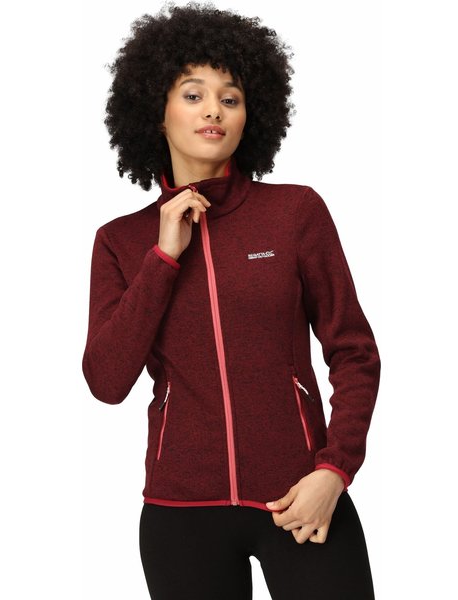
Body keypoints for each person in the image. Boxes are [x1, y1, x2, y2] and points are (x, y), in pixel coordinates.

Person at [81, 2, 381, 598]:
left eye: (231, 97)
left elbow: (354, 352)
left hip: (302, 498)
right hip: (180, 515)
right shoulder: (121, 241)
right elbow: (107, 381)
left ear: (252, 116)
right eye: (192, 94)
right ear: (156, 111)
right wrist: (163, 257)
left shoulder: (295, 213)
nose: (213, 109)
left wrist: (333, 470)